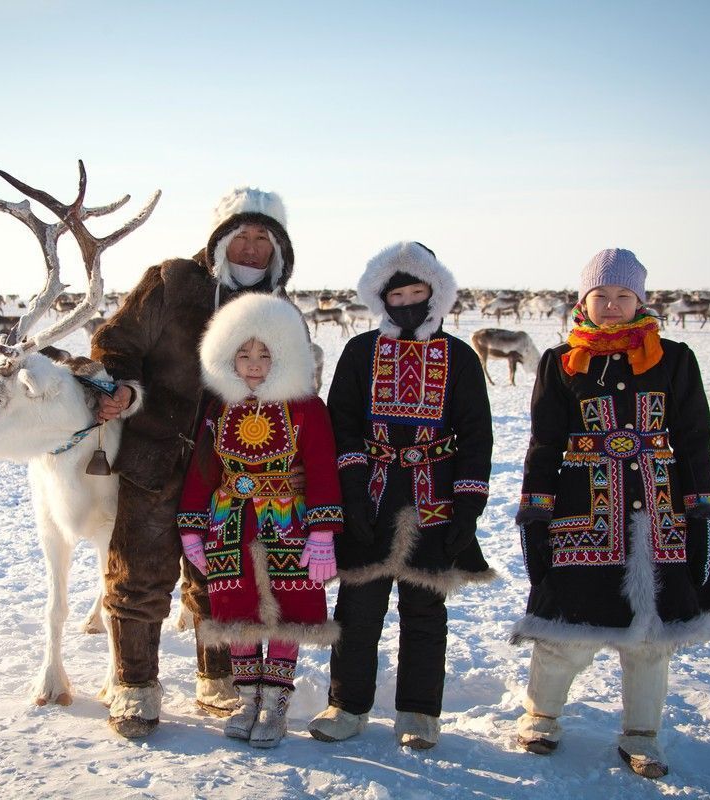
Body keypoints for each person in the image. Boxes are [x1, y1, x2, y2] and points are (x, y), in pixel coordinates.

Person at [511, 248, 710, 778]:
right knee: (563, 626)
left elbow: (694, 438)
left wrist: (701, 507)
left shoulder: (675, 359)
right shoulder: (560, 361)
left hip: (659, 516)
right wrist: (535, 511)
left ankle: (642, 733)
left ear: (640, 300)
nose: (611, 306)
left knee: (650, 636)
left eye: (622, 296)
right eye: (601, 296)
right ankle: (540, 715)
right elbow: (545, 443)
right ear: (583, 300)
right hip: (583, 512)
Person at [90, 187, 296, 738]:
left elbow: (295, 382)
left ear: (277, 249)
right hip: (157, 451)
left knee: (221, 571)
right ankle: (134, 686)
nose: (251, 249)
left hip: (235, 467)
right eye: (243, 236)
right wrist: (125, 388)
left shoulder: (278, 311)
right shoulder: (172, 282)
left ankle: (219, 677)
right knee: (140, 570)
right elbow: (116, 341)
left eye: (264, 240)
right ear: (221, 239)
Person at [308, 241, 494, 750]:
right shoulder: (360, 351)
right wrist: (350, 488)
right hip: (371, 492)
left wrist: (469, 506)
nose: (408, 301)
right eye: (398, 293)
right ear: (381, 298)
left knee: (425, 612)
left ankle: (418, 712)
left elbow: (477, 433)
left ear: (435, 295)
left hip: (435, 495)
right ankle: (346, 705)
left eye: (418, 291)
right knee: (357, 609)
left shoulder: (457, 356)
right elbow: (341, 421)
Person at [178, 293, 344, 748]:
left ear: (285, 355)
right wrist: (192, 528)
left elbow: (324, 467)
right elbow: (202, 471)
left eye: (265, 354)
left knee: (288, 614)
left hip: (289, 524)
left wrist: (324, 532)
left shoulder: (307, 408)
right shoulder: (219, 409)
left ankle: (276, 702)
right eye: (244, 354)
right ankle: (247, 697)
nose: (253, 364)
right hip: (229, 525)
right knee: (237, 612)